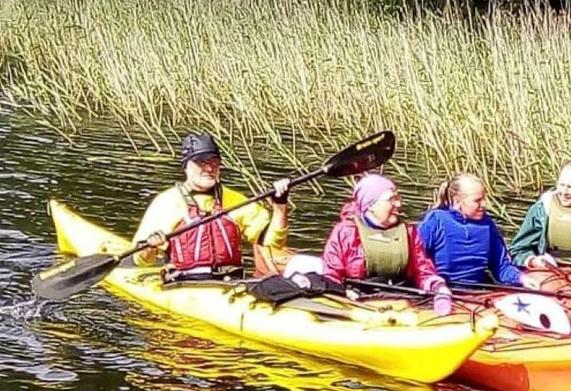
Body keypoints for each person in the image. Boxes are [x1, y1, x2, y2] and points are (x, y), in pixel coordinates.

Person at [132, 133, 289, 278]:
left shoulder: (235, 200)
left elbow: (273, 242)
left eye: (214, 162)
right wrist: (149, 248)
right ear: (186, 166)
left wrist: (280, 206)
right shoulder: (167, 202)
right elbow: (142, 260)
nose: (209, 168)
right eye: (201, 163)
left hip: (231, 282)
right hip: (184, 284)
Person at [322, 174, 452, 314]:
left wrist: (438, 287)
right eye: (392, 199)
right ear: (371, 205)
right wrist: (343, 293)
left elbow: (422, 271)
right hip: (358, 302)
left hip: (401, 300)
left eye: (398, 198)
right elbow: (331, 274)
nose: (398, 204)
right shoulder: (346, 232)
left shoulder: (408, 232)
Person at [418, 173, 533, 288]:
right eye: (477, 200)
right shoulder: (436, 221)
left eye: (484, 199)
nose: (484, 204)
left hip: (477, 292)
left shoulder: (487, 225)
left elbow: (501, 267)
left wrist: (521, 278)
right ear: (457, 202)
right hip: (442, 291)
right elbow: (417, 261)